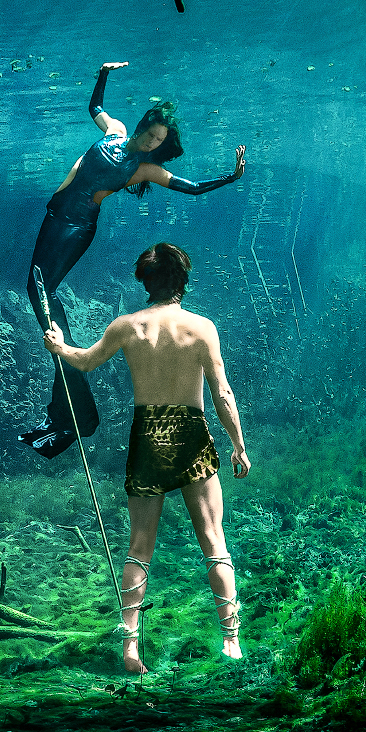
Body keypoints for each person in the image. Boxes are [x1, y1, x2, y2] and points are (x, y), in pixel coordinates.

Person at [21, 61, 245, 459]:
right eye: (152, 135)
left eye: (159, 142)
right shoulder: (115, 131)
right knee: (41, 294)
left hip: (74, 227)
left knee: (41, 294)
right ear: (142, 126)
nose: (152, 144)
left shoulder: (143, 169)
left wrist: (229, 178)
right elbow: (95, 107)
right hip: (54, 214)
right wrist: (103, 73)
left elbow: (189, 188)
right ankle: (65, 410)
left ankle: (75, 415)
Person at [43, 242, 250, 669]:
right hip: (190, 432)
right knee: (214, 541)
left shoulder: (126, 326)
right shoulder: (201, 328)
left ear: (145, 281)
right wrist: (238, 445)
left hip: (147, 436)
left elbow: (84, 361)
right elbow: (222, 393)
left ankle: (130, 646)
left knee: (139, 546)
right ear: (182, 280)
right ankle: (231, 640)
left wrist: (60, 346)